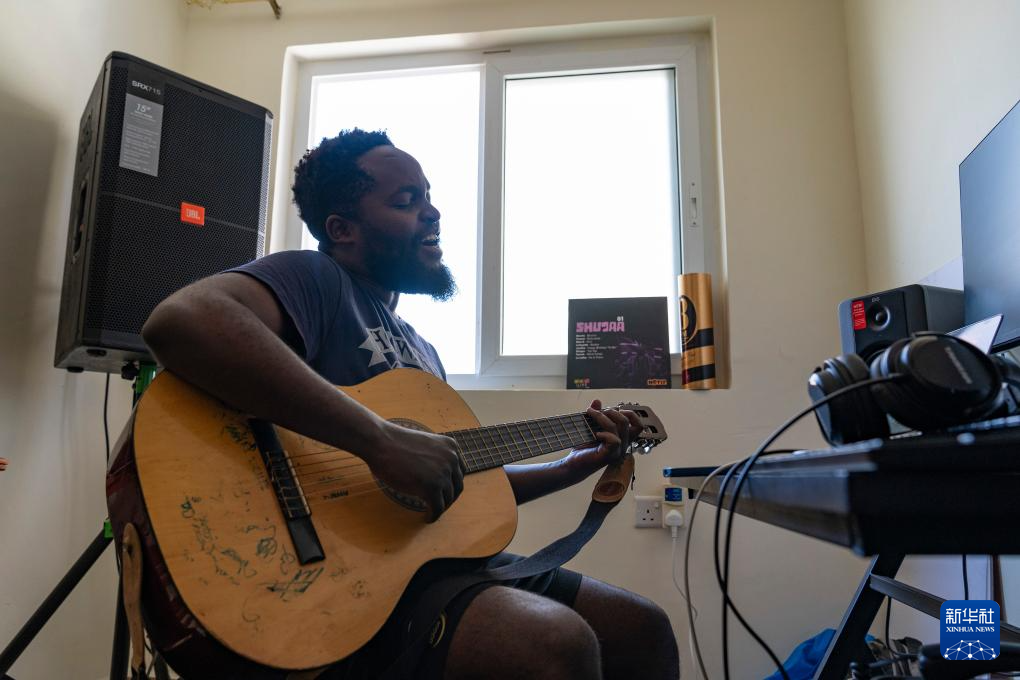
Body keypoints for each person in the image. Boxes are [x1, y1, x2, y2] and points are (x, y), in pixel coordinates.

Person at [142, 129, 679, 680]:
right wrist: (377, 439)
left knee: (641, 628)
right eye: (407, 201)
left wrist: (567, 467)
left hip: (431, 566)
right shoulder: (315, 278)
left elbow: (451, 484)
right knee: (551, 644)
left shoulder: (422, 351)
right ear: (341, 230)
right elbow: (182, 321)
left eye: (428, 195)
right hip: (333, 574)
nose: (433, 213)